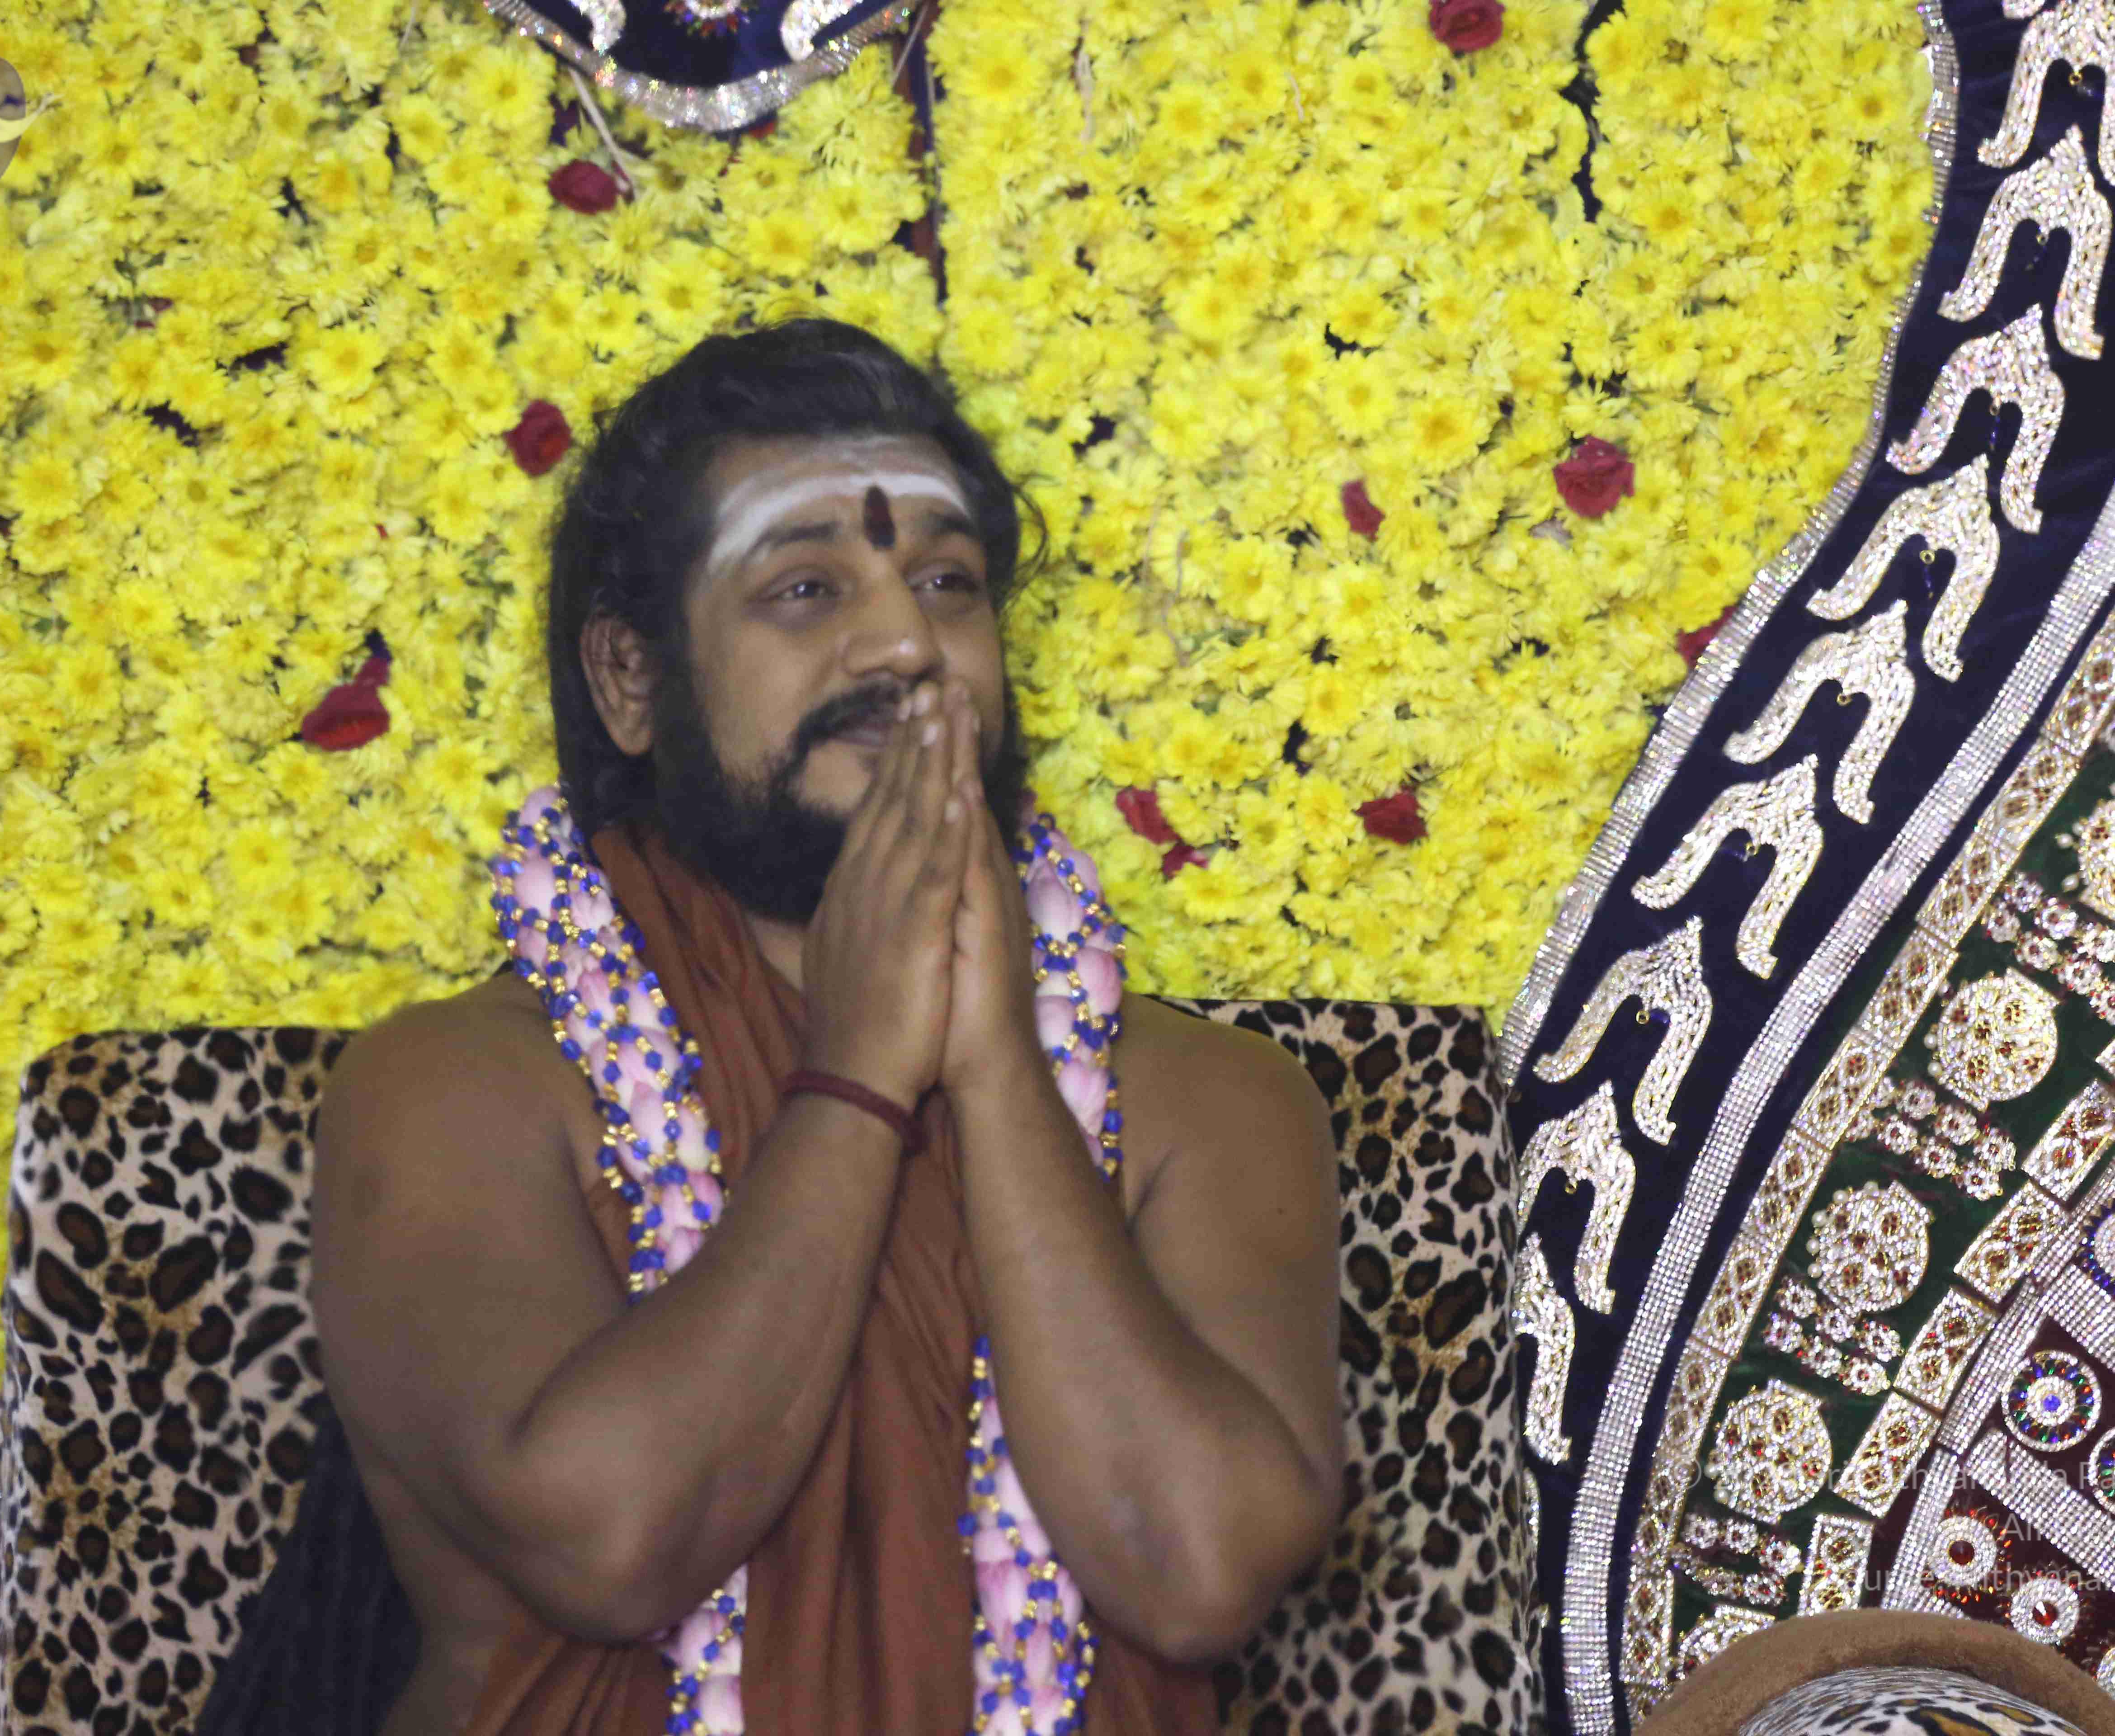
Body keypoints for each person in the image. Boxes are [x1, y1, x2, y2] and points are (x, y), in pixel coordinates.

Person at [296, 319, 1344, 1736]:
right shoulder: (463, 1089)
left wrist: (994, 1065)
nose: (906, 643)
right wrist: (857, 1080)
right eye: (804, 588)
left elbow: (1199, 1574)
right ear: (630, 680)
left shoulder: (1202, 1101)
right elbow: (614, 1542)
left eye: (948, 584)